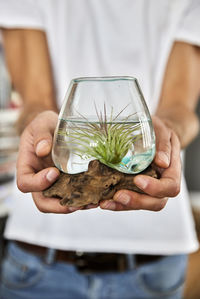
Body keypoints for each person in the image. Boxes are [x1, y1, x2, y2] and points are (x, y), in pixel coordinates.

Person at [0, 0, 200, 298]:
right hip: (40, 252)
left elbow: (179, 107)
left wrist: (166, 132)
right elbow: (36, 102)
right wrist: (38, 127)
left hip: (154, 257)